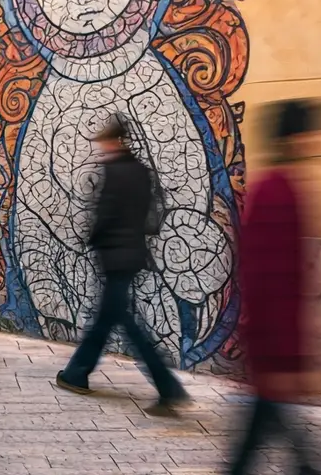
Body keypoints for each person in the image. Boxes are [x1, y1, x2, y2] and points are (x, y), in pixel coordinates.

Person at [55, 113, 189, 416]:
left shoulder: (114, 172)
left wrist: (91, 238)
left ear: (114, 140)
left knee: (124, 323)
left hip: (114, 256)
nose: (100, 147)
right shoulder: (141, 172)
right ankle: (77, 373)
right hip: (132, 255)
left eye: (103, 141)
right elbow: (148, 216)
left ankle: (168, 389)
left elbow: (105, 215)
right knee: (109, 320)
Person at [228, 100, 321, 475]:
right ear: (297, 138)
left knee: (261, 435)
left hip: (275, 347)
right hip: (275, 348)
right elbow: (267, 277)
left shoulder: (281, 187)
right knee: (273, 433)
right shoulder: (277, 192)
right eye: (314, 133)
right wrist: (280, 356)